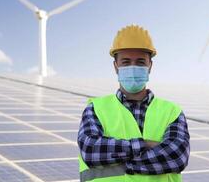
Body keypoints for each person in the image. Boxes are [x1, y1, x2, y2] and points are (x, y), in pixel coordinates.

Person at [77, 24, 190, 182]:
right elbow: (91, 150)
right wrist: (145, 145)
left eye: (140, 62)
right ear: (116, 67)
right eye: (126, 62)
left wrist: (122, 164)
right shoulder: (96, 108)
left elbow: (176, 156)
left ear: (150, 66)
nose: (133, 67)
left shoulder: (172, 112)